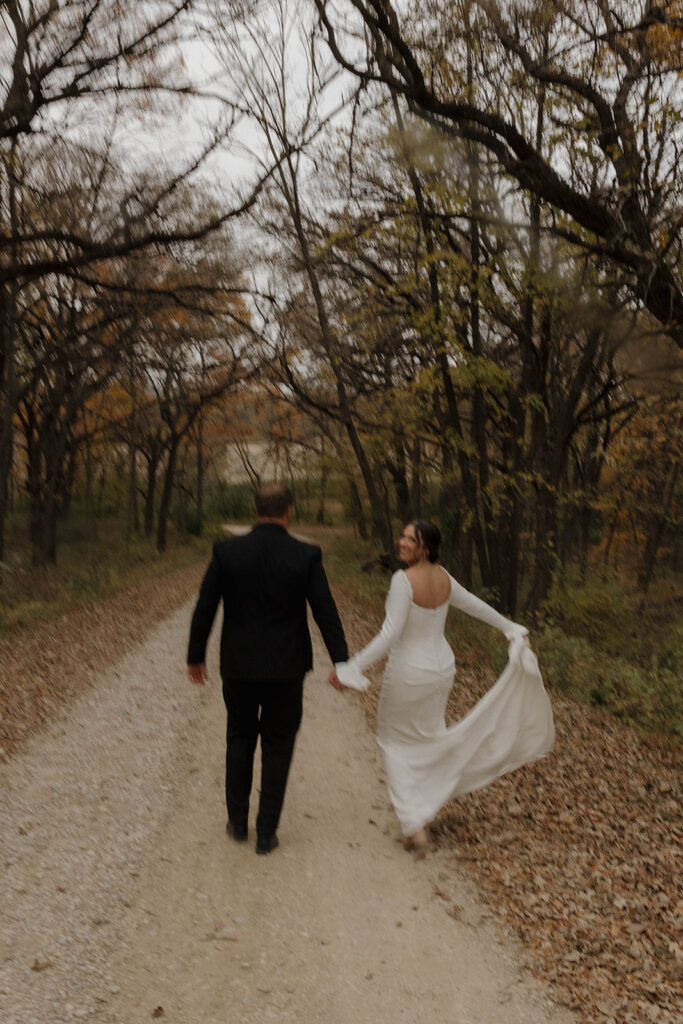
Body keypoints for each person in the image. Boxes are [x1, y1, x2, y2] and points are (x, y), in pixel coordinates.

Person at [331, 519, 554, 855]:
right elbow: (476, 606)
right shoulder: (444, 578)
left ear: (426, 548)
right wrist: (509, 626)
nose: (402, 542)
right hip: (441, 671)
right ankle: (423, 812)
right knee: (429, 739)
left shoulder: (403, 581)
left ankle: (413, 823)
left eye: (410, 539)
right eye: (403, 536)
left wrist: (353, 667)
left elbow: (390, 635)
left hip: (410, 671)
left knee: (392, 740)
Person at [187, 484, 348, 854]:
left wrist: (195, 655)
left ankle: (237, 822)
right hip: (286, 669)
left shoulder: (227, 551)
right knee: (279, 745)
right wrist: (342, 662)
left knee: (239, 737)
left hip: (239, 666)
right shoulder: (305, 555)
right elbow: (325, 611)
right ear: (289, 511)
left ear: (256, 509)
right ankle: (266, 833)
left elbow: (205, 606)